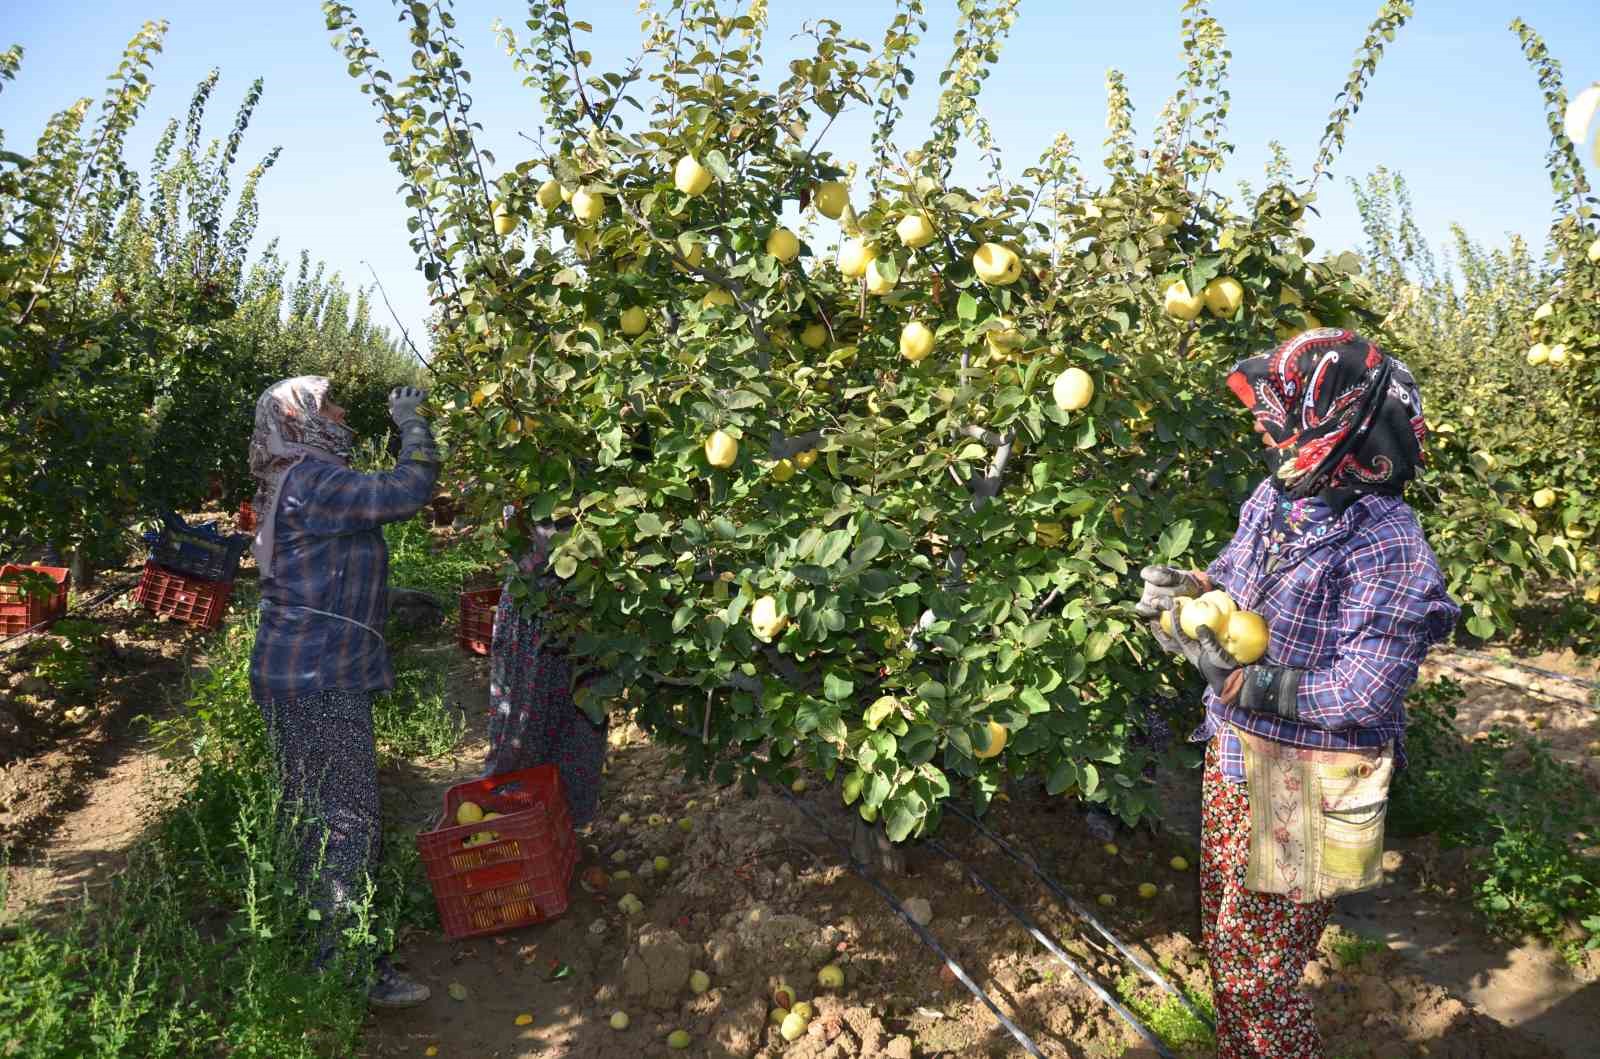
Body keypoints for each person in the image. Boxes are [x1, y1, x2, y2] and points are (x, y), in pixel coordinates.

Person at [1134, 330, 1459, 1059]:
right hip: (1237, 759)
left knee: (1260, 978)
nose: (1264, 426)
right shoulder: (1280, 497)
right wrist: (1188, 592)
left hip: (1313, 783)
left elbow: (1366, 690)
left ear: (1340, 422)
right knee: (1229, 948)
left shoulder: (1388, 544)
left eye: (1281, 410)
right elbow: (1232, 582)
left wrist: (1249, 683)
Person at [247, 376, 439, 1010]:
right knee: (346, 821)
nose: (341, 411)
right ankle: (350, 969)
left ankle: (323, 948)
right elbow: (403, 492)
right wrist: (413, 428)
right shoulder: (313, 479)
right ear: (298, 419)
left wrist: (390, 599)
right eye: (327, 403)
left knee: (319, 815)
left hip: (305, 671)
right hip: (318, 677)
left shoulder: (296, 479)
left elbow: (315, 572)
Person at [482, 506, 605, 828]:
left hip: (590, 608)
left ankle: (565, 830)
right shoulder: (529, 480)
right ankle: (506, 822)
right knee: (524, 722)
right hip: (535, 608)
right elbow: (517, 534)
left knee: (581, 724)